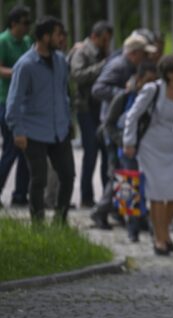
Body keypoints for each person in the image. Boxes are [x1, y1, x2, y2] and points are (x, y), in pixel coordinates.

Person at [5, 16, 73, 224]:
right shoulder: (25, 65)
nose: (61, 39)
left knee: (68, 175)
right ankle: (38, 226)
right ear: (45, 37)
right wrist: (18, 131)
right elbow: (13, 101)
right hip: (33, 132)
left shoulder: (61, 60)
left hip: (59, 130)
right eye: (57, 34)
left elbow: (63, 94)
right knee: (39, 180)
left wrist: (67, 122)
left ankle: (60, 222)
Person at [123, 55, 173, 255]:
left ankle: (162, 229)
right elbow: (132, 115)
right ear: (170, 73)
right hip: (151, 148)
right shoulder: (153, 89)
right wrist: (129, 141)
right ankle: (160, 239)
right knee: (157, 194)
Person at [89, 33, 154, 228]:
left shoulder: (130, 66)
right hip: (114, 129)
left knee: (123, 173)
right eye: (143, 54)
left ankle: (132, 214)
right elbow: (97, 89)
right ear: (134, 53)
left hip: (122, 127)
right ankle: (103, 211)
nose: (146, 58)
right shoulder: (119, 66)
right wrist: (124, 94)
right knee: (119, 173)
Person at [101, 62, 158, 240]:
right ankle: (132, 228)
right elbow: (108, 124)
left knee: (151, 188)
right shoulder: (124, 97)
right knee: (129, 188)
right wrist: (123, 142)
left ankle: (151, 225)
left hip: (149, 149)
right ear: (139, 79)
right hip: (127, 150)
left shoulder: (155, 98)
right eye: (147, 80)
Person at [68, 20, 113, 208]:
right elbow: (76, 75)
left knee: (104, 151)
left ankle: (105, 198)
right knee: (91, 152)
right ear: (95, 36)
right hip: (85, 108)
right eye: (104, 40)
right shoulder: (83, 51)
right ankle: (86, 197)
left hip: (100, 109)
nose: (107, 44)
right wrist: (102, 67)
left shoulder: (104, 53)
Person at [0, 5, 32, 208]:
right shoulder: (3, 41)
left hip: (23, 102)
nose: (27, 28)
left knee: (25, 150)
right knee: (11, 148)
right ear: (13, 24)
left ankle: (20, 194)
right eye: (24, 23)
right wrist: (17, 73)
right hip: (5, 100)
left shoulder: (27, 41)